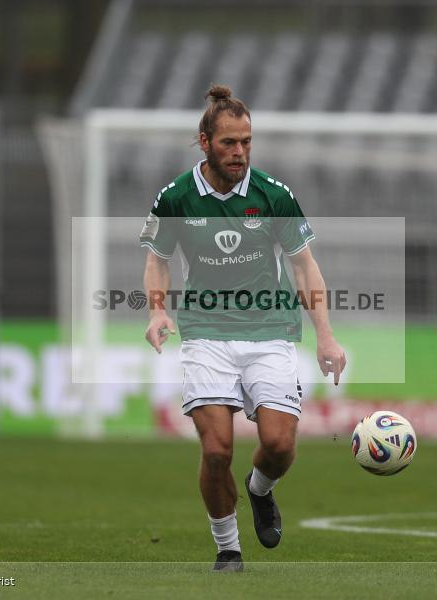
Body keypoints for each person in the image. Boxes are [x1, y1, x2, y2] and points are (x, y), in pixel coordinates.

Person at [139, 84, 346, 572]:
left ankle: (260, 490)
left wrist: (326, 335)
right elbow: (158, 260)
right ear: (205, 141)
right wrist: (156, 310)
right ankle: (228, 548)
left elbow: (304, 267)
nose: (239, 152)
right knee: (216, 451)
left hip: (270, 331)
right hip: (206, 333)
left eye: (247, 142)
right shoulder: (177, 196)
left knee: (278, 445)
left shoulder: (274, 195)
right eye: (229, 142)